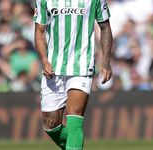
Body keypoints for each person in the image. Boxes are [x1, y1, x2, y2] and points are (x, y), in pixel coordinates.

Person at [34, 0, 113, 150]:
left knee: (74, 121)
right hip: (53, 68)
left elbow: (105, 27)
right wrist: (44, 60)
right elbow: (39, 31)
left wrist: (106, 60)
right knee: (50, 126)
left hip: (82, 65)